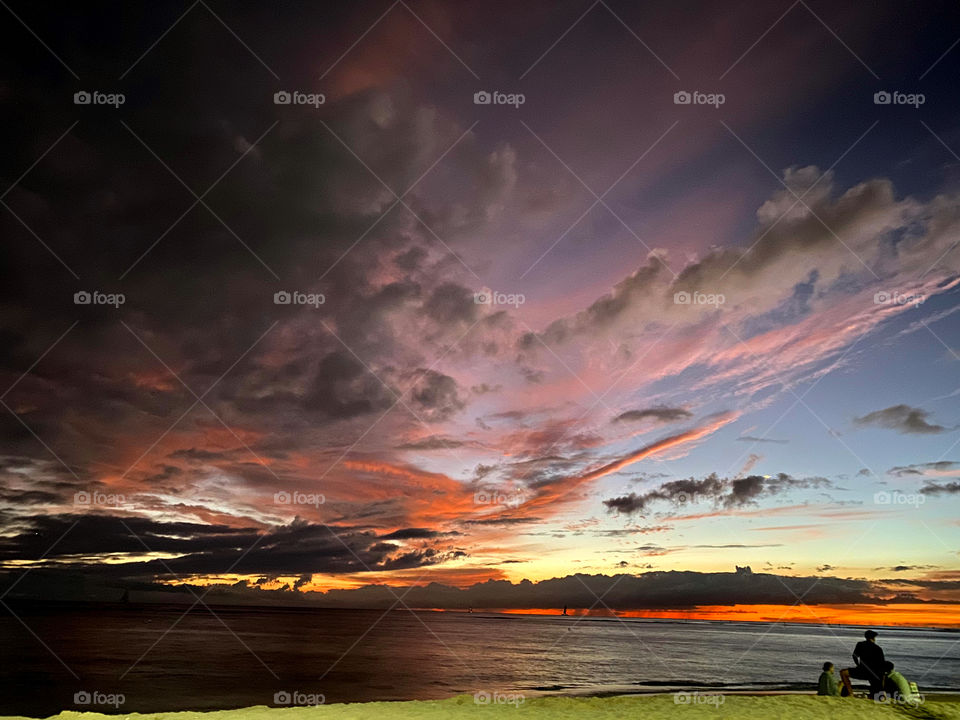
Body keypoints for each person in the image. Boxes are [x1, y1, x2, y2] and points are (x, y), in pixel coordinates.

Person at [840, 630, 885, 697]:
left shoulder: (860, 644)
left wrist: (858, 665)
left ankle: (850, 692)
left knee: (843, 673)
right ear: (873, 638)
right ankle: (879, 693)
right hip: (874, 673)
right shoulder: (878, 649)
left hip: (862, 671)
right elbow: (882, 664)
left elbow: (854, 656)